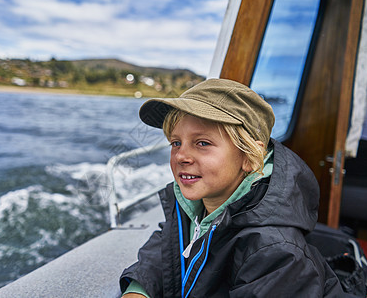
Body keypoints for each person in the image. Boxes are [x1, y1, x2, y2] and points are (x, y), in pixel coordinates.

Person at [119, 79, 345, 297]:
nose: (181, 156)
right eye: (176, 142)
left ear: (249, 158)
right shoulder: (194, 207)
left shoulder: (275, 251)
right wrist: (138, 290)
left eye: (202, 143)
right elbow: (169, 243)